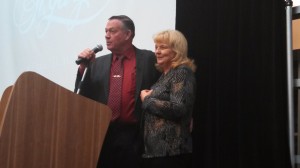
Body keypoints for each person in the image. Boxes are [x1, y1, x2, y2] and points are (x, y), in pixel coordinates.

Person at [74, 15, 161, 168]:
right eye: (106, 31)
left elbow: (165, 88)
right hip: (103, 135)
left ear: (128, 34)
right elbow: (82, 98)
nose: (106, 35)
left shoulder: (148, 59)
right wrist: (82, 68)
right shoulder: (96, 64)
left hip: (135, 136)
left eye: (112, 31)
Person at [140, 29, 196, 168]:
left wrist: (147, 99)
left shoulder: (181, 72)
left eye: (163, 47)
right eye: (156, 47)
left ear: (176, 50)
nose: (157, 51)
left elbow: (179, 108)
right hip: (156, 153)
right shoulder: (165, 75)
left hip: (171, 153)